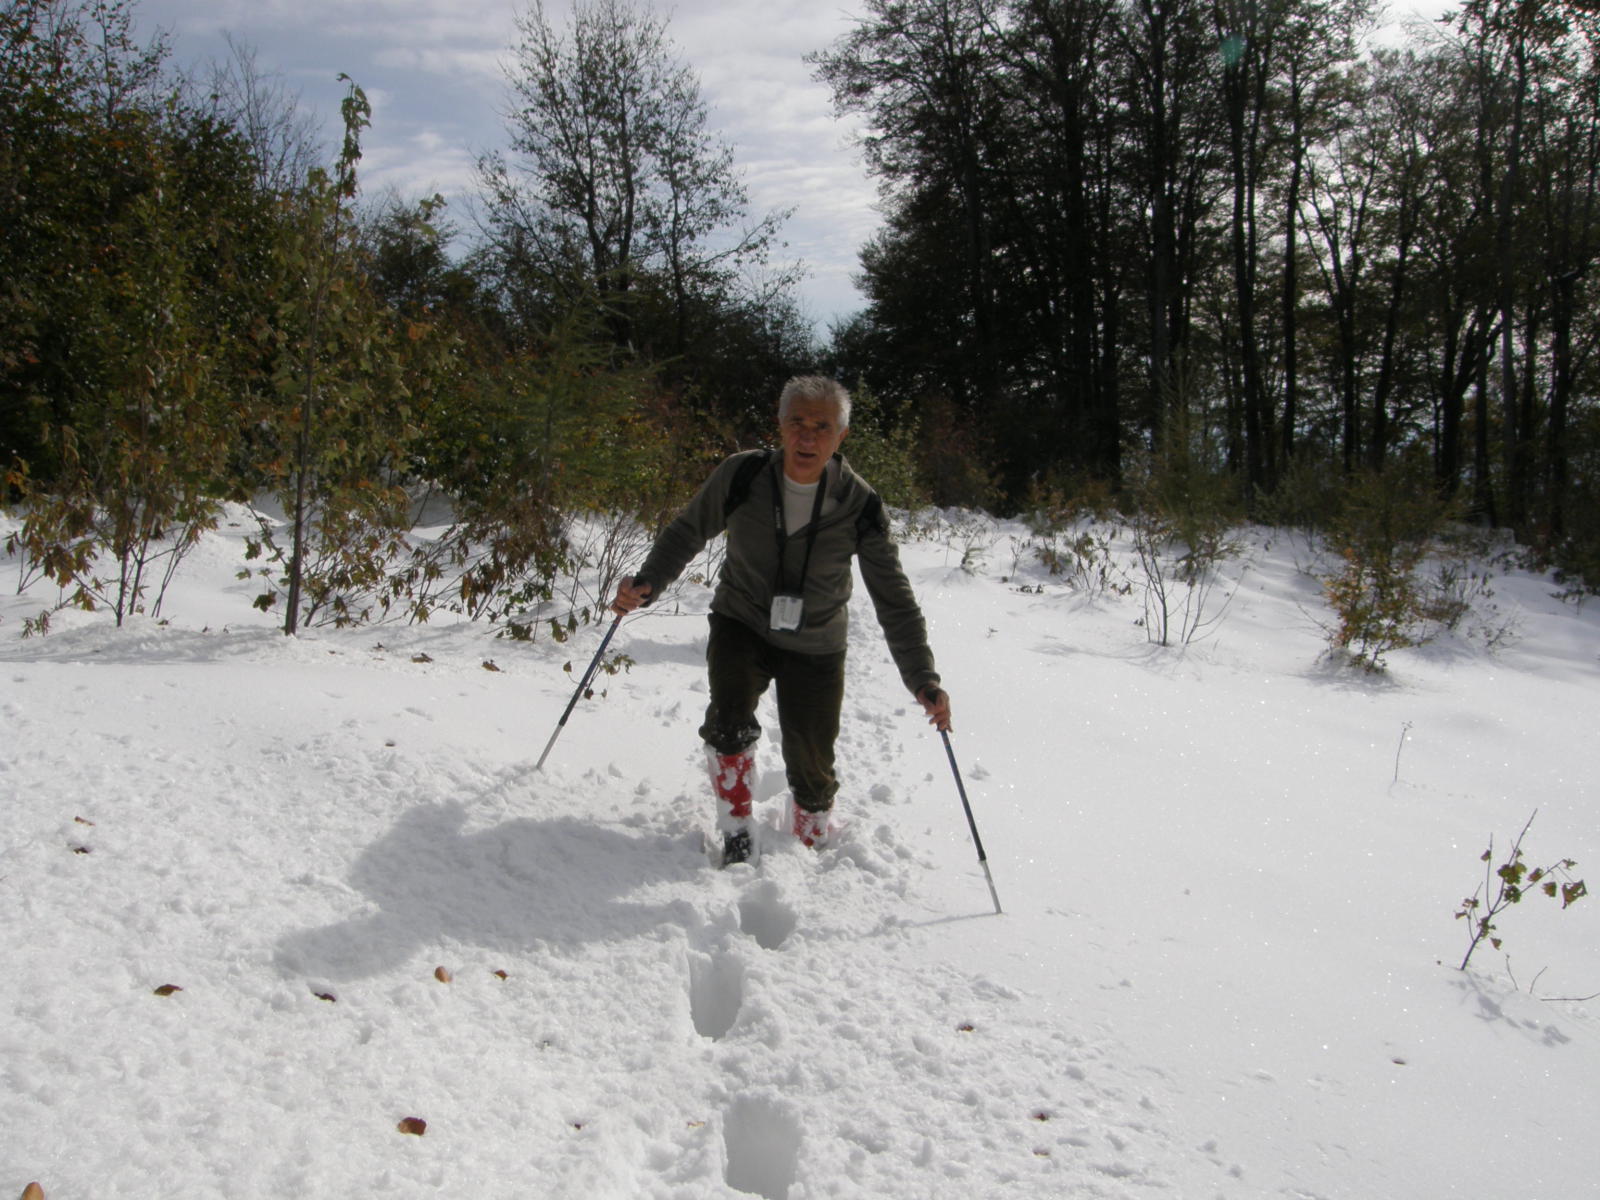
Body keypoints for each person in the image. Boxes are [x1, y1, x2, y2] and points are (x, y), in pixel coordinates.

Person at [611, 375, 951, 866]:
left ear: (841, 436)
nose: (807, 437)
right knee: (727, 721)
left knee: (812, 763)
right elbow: (688, 531)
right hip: (741, 620)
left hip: (816, 642)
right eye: (797, 423)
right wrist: (647, 583)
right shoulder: (742, 476)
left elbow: (893, 598)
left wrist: (922, 678)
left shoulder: (861, 505)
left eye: (821, 426)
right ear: (780, 425)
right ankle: (736, 830)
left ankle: (810, 834)